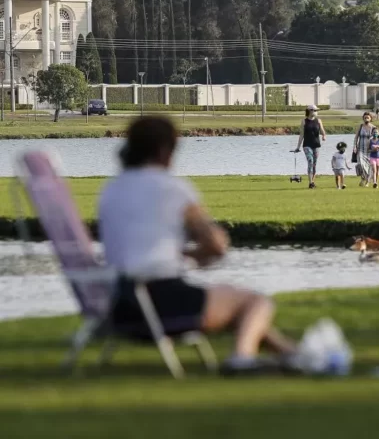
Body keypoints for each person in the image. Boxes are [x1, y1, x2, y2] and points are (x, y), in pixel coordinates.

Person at [99, 116, 297, 372]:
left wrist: (177, 255)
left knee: (240, 310)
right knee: (255, 302)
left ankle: (296, 356)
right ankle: (242, 358)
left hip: (120, 305)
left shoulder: (112, 190)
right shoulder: (173, 188)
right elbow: (216, 243)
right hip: (163, 303)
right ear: (164, 151)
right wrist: (194, 256)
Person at [295, 105, 326, 189]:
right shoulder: (304, 121)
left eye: (316, 110)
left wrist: (323, 136)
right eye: (314, 110)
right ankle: (310, 182)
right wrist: (298, 147)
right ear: (309, 111)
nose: (315, 112)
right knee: (310, 161)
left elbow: (322, 131)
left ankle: (313, 182)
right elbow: (301, 135)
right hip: (307, 145)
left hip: (316, 145)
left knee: (314, 164)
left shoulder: (318, 121)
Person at [354, 112, 376, 187]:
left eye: (368, 117)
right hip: (361, 149)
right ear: (363, 118)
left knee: (369, 166)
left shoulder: (373, 127)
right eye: (365, 117)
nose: (366, 118)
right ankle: (363, 178)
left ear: (370, 118)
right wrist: (355, 146)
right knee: (361, 164)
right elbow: (356, 137)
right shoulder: (360, 126)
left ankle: (367, 181)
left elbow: (378, 138)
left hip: (369, 150)